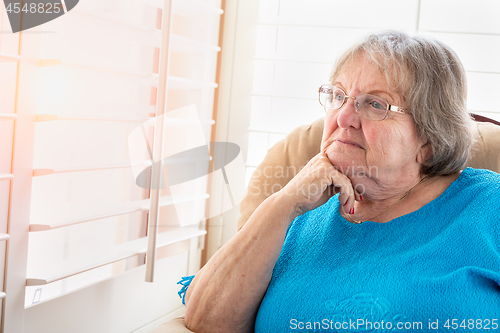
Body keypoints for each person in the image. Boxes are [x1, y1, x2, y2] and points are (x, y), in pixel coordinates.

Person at [179, 31, 500, 332]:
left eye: (375, 104)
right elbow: (206, 321)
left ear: (429, 137)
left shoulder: (489, 206)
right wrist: (284, 202)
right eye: (338, 96)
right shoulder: (295, 215)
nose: (343, 118)